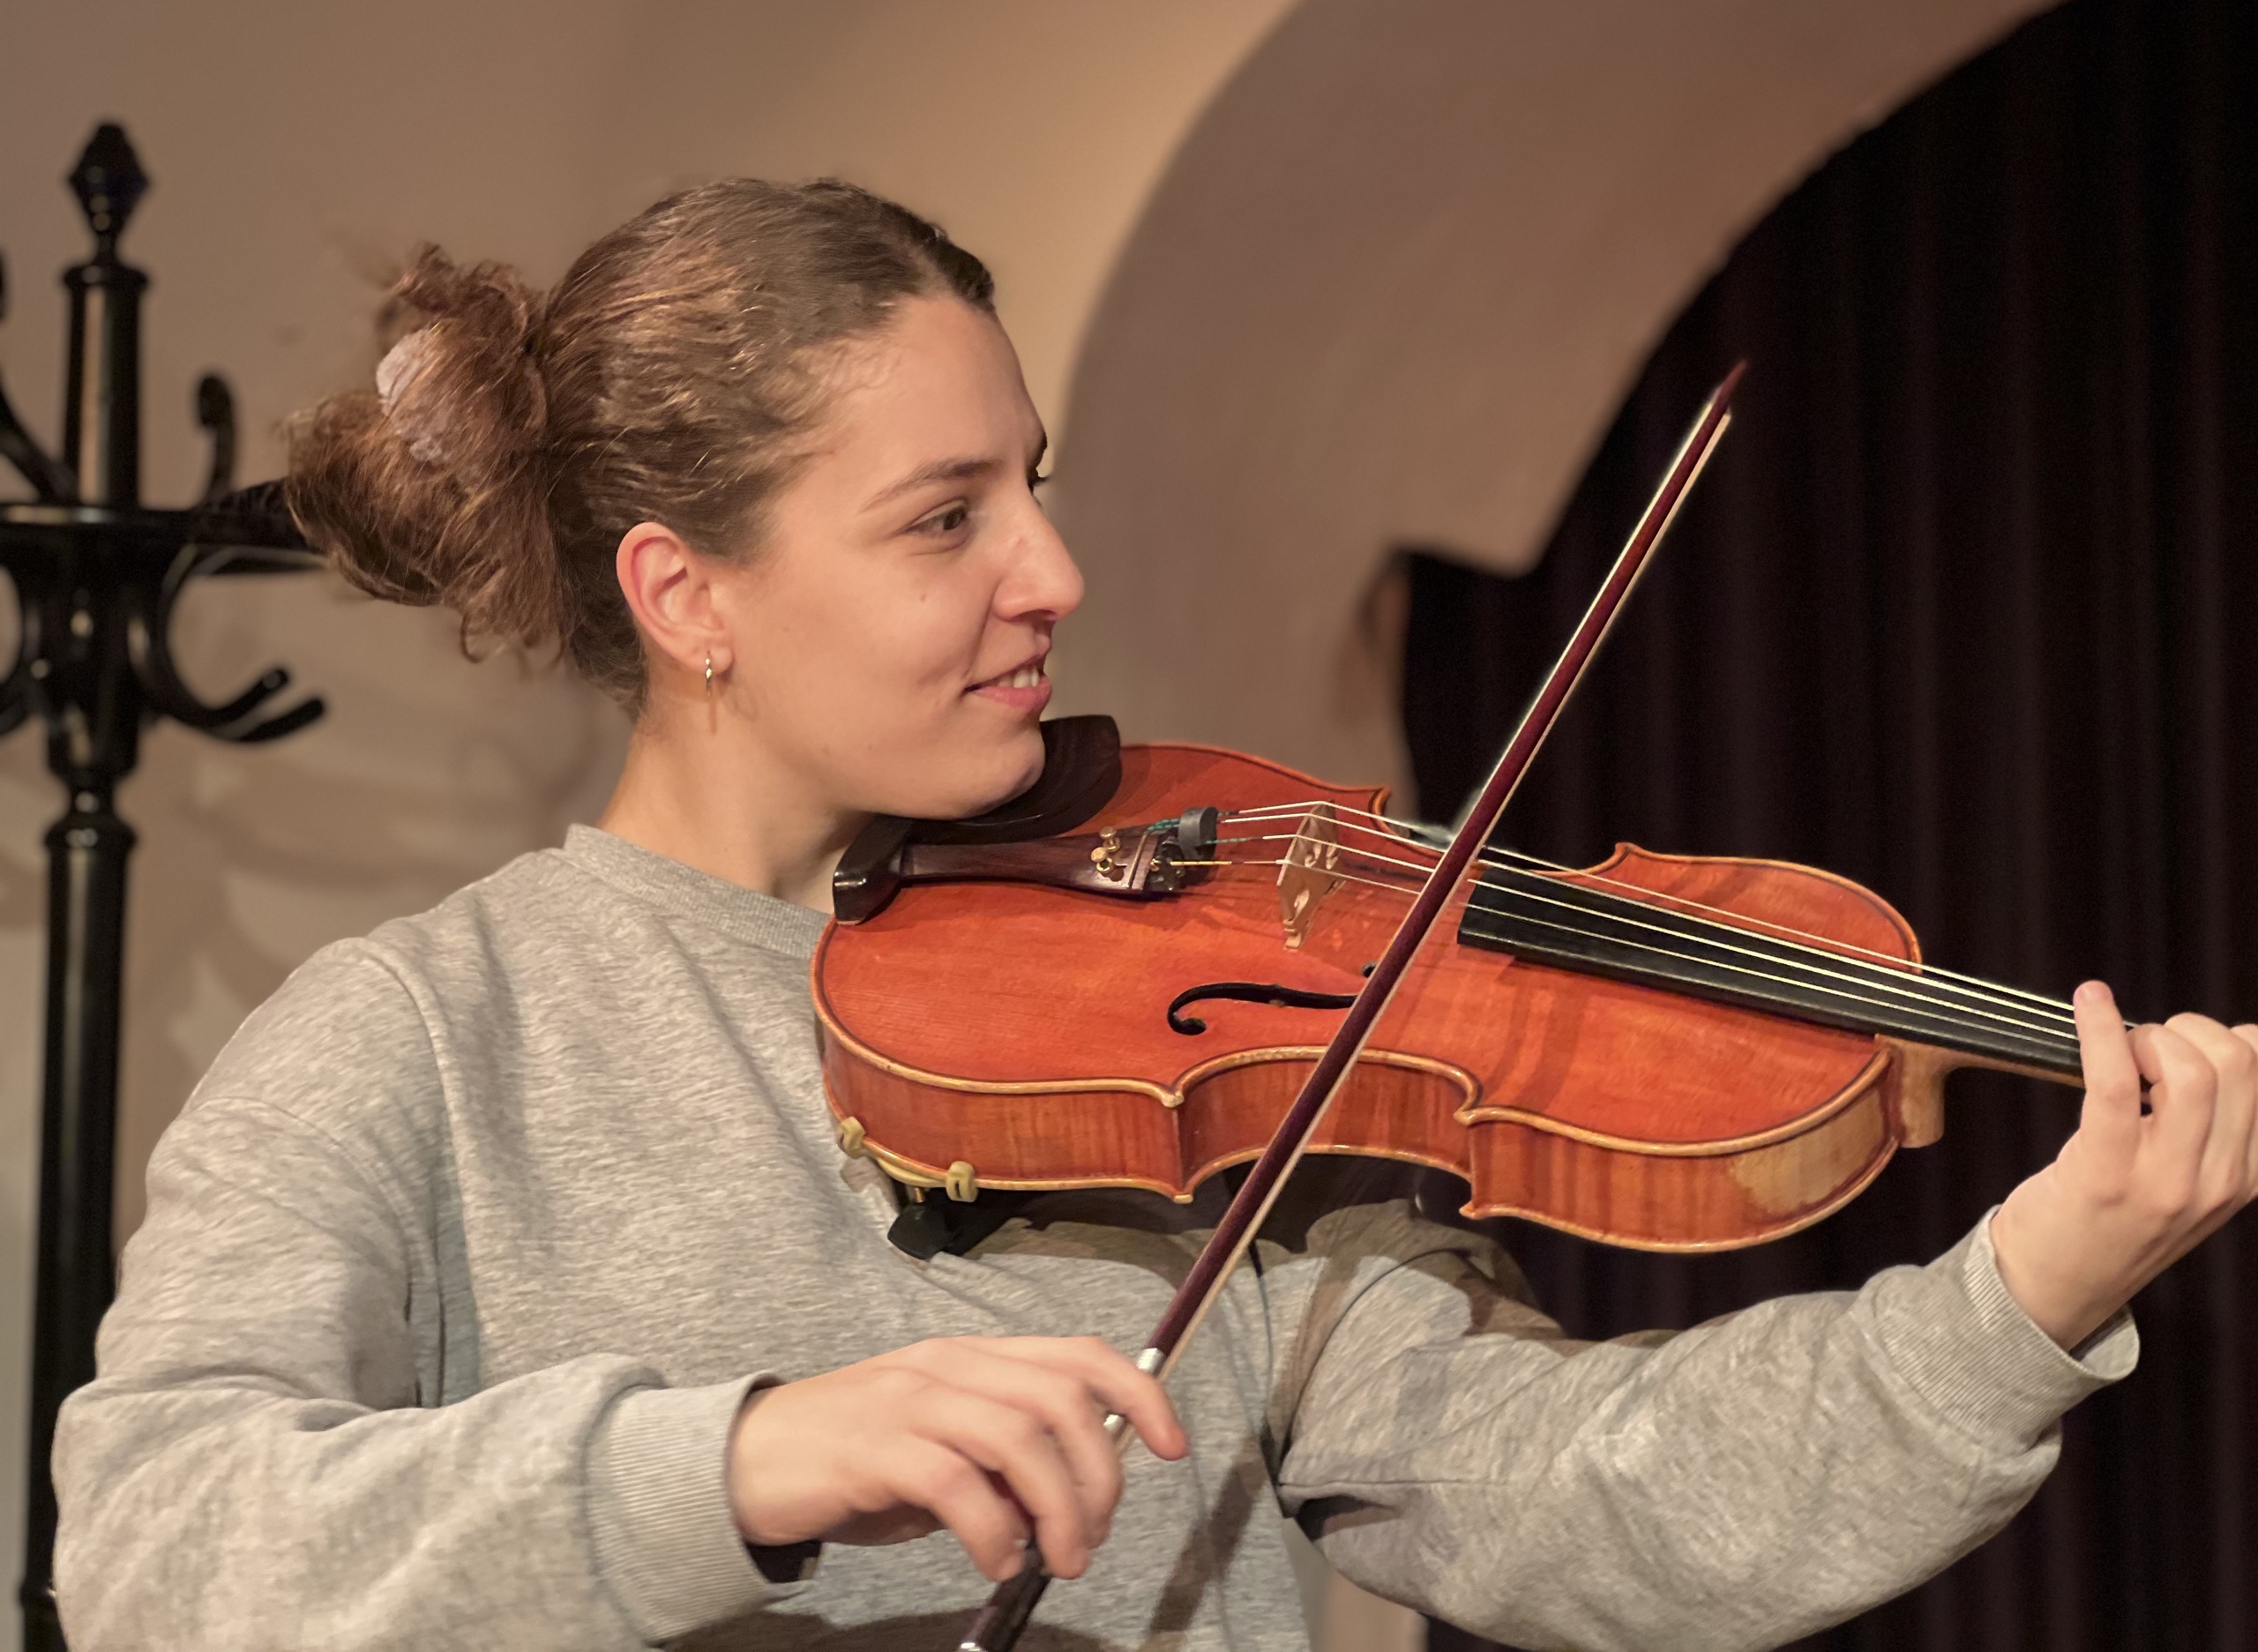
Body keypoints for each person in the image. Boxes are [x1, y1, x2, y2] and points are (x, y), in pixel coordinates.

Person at [51, 179, 2258, 1652]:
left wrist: (2016, 1299)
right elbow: (153, 1542)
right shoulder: (427, 1034)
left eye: (1033, 485)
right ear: (685, 595)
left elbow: (1576, 1489)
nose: (1051, 574)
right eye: (944, 518)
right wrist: (735, 1457)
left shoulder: (1191, 1001)